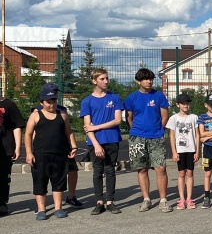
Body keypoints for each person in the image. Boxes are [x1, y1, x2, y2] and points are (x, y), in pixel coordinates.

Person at [25, 84, 78, 220]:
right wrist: (29, 153)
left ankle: (58, 208)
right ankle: (42, 209)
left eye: (54, 101)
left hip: (59, 154)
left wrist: (73, 146)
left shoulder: (62, 115)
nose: (52, 105)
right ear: (41, 102)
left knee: (59, 181)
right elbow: (28, 134)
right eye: (49, 102)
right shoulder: (35, 115)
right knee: (40, 182)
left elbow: (68, 132)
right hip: (40, 154)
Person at [125, 68, 170, 212]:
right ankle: (146, 199)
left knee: (160, 168)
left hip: (156, 137)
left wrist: (157, 131)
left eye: (151, 79)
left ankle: (163, 200)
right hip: (137, 137)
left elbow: (164, 117)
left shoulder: (159, 96)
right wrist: (137, 132)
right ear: (139, 81)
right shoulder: (131, 98)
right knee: (142, 169)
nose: (149, 81)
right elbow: (129, 119)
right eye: (145, 79)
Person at [80, 69, 123, 215]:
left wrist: (97, 126)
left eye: (107, 78)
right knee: (97, 171)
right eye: (102, 79)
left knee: (110, 170)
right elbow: (87, 126)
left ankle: (110, 201)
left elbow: (118, 120)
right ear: (94, 81)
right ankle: (99, 202)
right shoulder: (87, 101)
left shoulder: (115, 98)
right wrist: (96, 144)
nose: (106, 81)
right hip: (95, 142)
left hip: (112, 139)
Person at [166, 93, 200, 210]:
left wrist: (197, 150)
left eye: (188, 103)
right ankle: (181, 199)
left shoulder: (194, 117)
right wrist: (174, 152)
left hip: (191, 149)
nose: (186, 105)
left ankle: (189, 198)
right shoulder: (173, 118)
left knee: (190, 173)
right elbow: (171, 136)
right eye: (183, 103)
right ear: (178, 105)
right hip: (180, 150)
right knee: (181, 173)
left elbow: (197, 135)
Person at [0, 94, 24, 218]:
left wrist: (18, 147)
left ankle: (2, 204)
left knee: (3, 178)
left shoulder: (8, 104)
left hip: (5, 148)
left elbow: (17, 126)